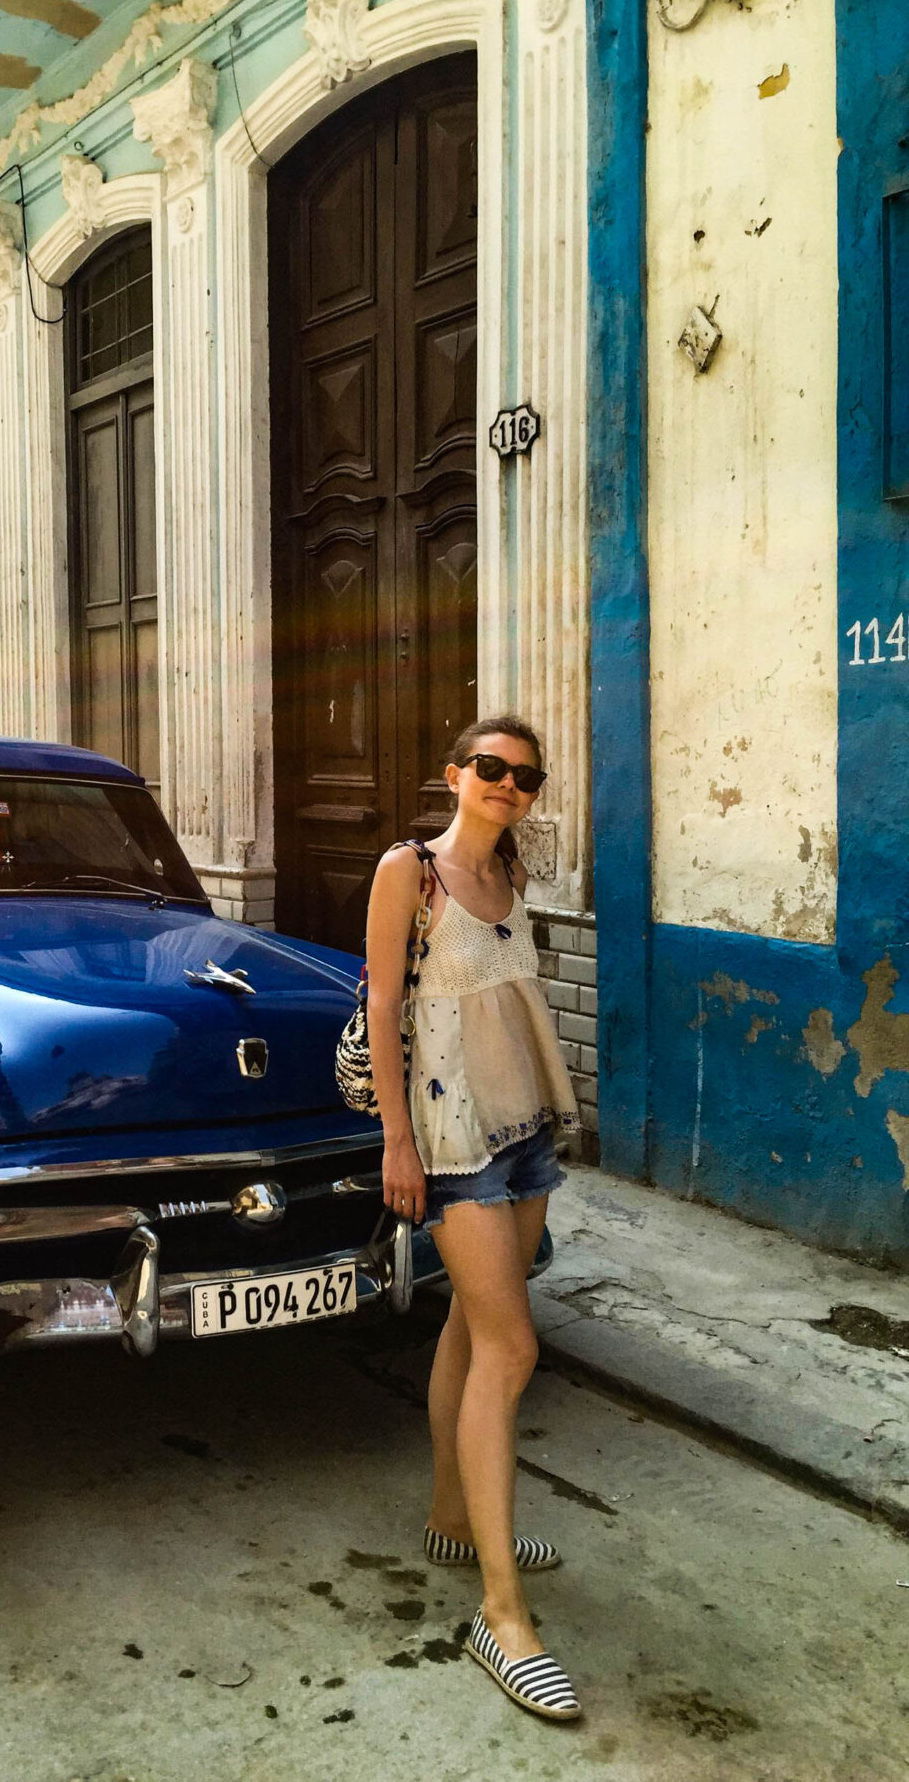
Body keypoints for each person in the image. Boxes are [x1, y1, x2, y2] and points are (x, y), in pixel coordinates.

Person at [365, 715, 583, 1723]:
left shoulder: (514, 881)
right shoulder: (408, 872)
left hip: (525, 1124)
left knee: (468, 1322)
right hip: (451, 1141)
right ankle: (504, 1615)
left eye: (524, 777)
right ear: (455, 773)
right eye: (489, 768)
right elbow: (380, 1008)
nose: (506, 785)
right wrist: (397, 1142)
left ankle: (457, 1519)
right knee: (511, 1346)